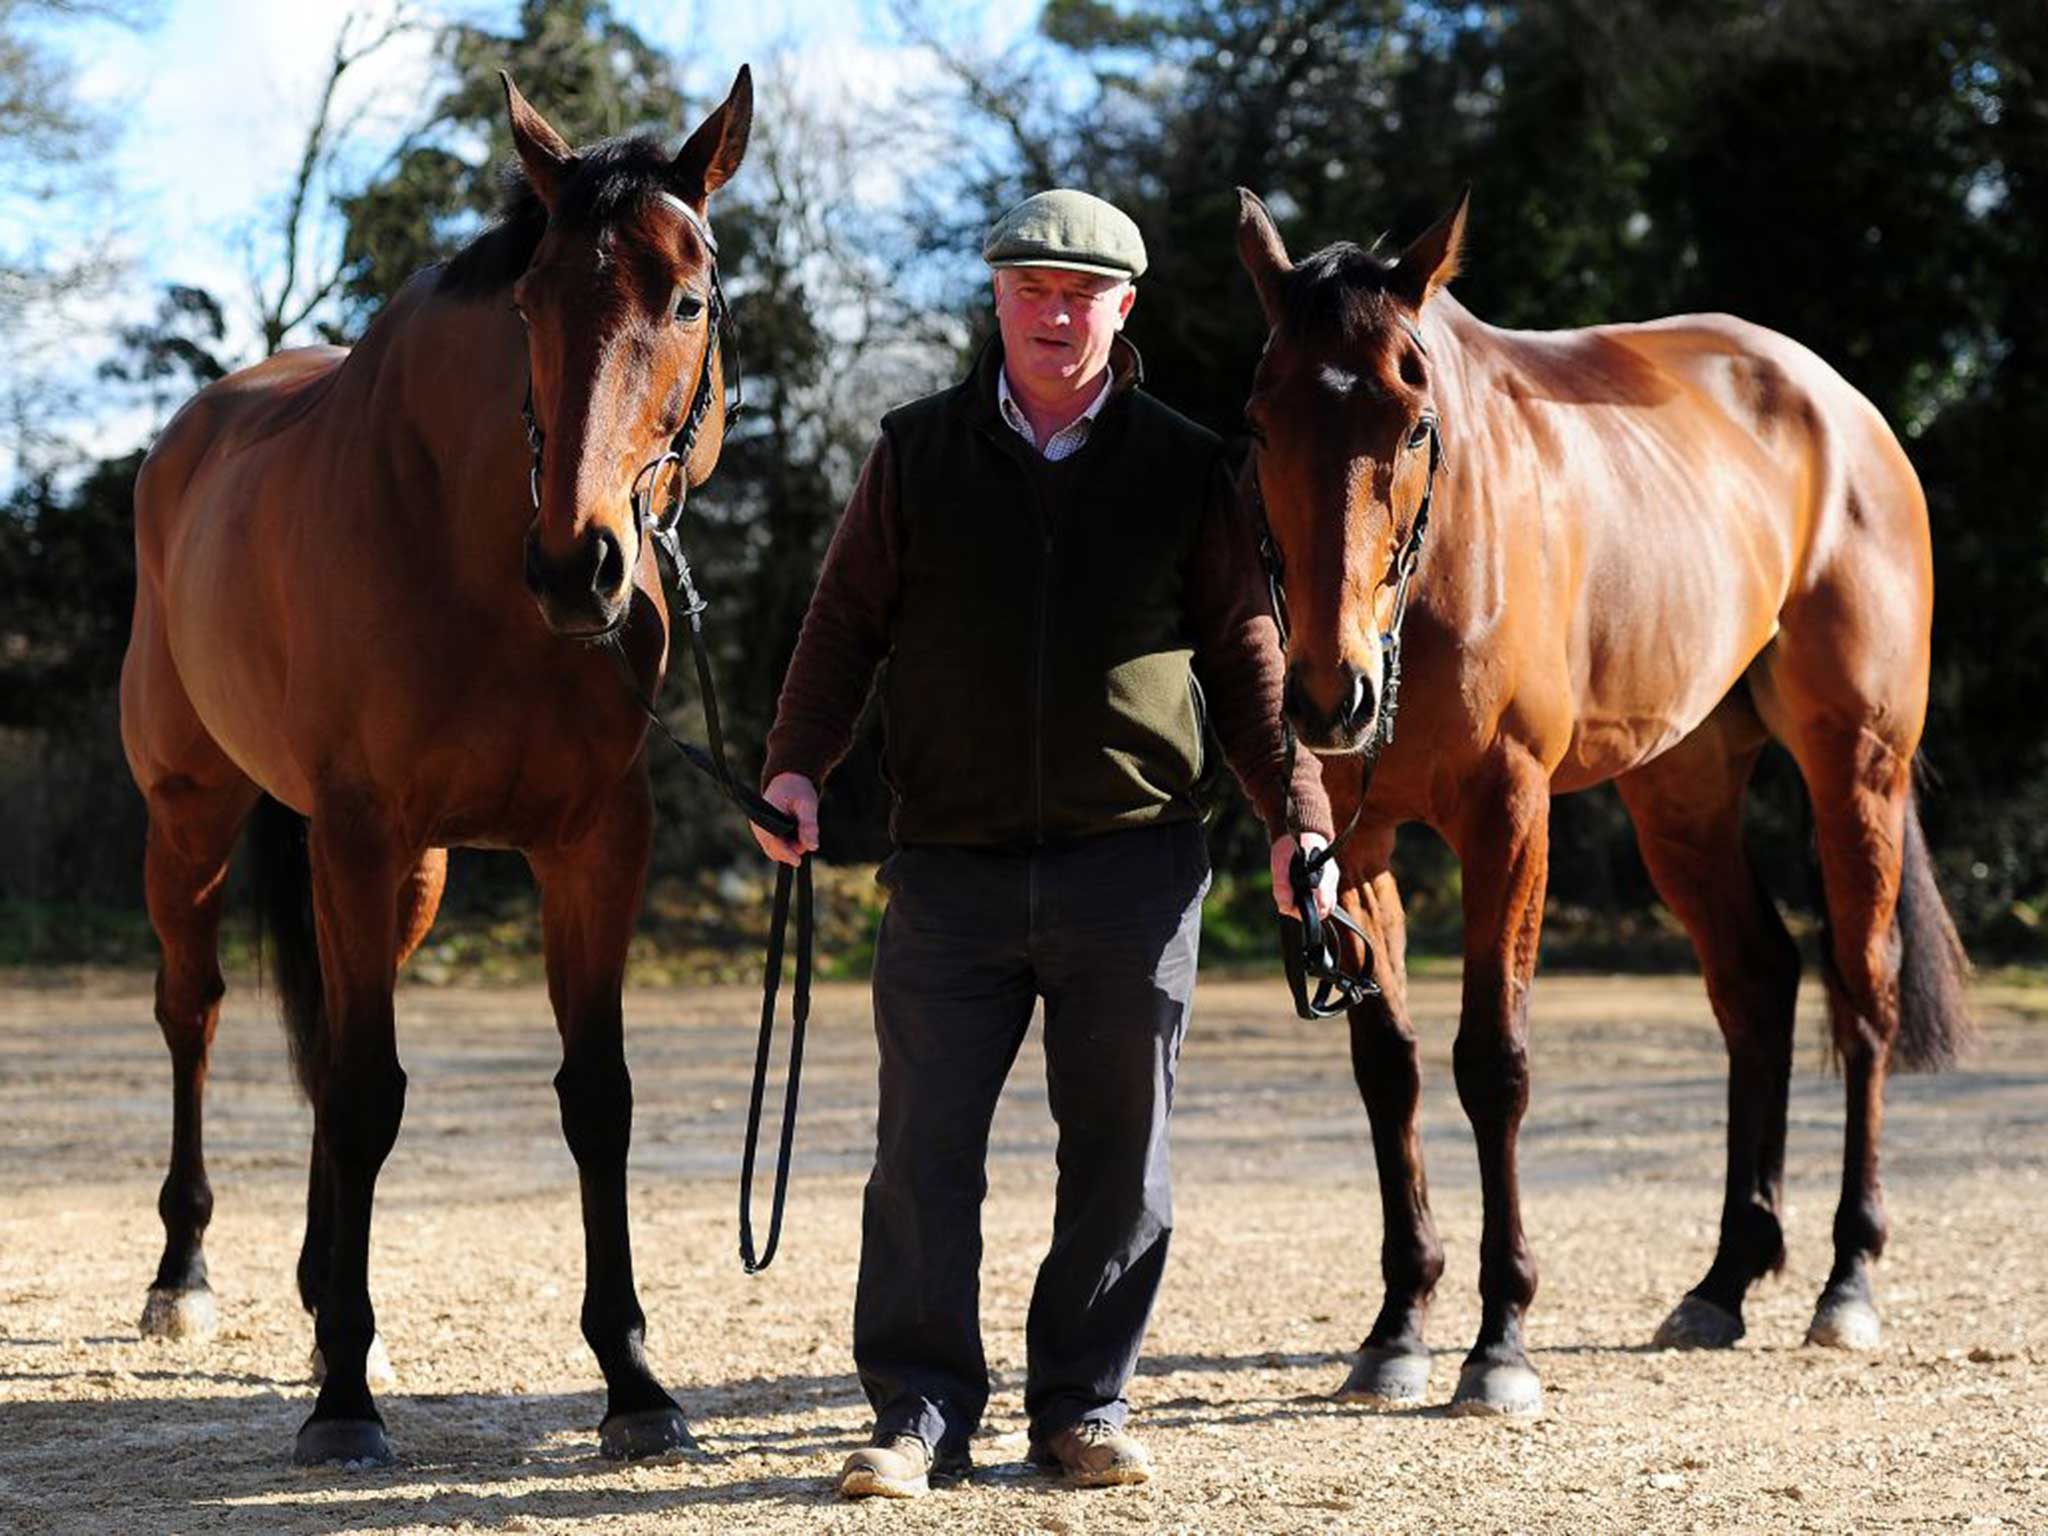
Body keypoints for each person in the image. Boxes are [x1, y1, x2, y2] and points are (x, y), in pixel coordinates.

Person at [752, 189, 1335, 1499]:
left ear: (1123, 311)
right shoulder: (917, 451)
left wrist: (1301, 826)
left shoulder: (1189, 465)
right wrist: (797, 768)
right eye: (1031, 290)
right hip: (947, 867)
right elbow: (843, 624)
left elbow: (1249, 664)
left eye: (1083, 294)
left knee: (1122, 1157)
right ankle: (917, 1412)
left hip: (1131, 863)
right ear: (996, 302)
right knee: (921, 1156)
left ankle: (1083, 1405)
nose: (1055, 313)